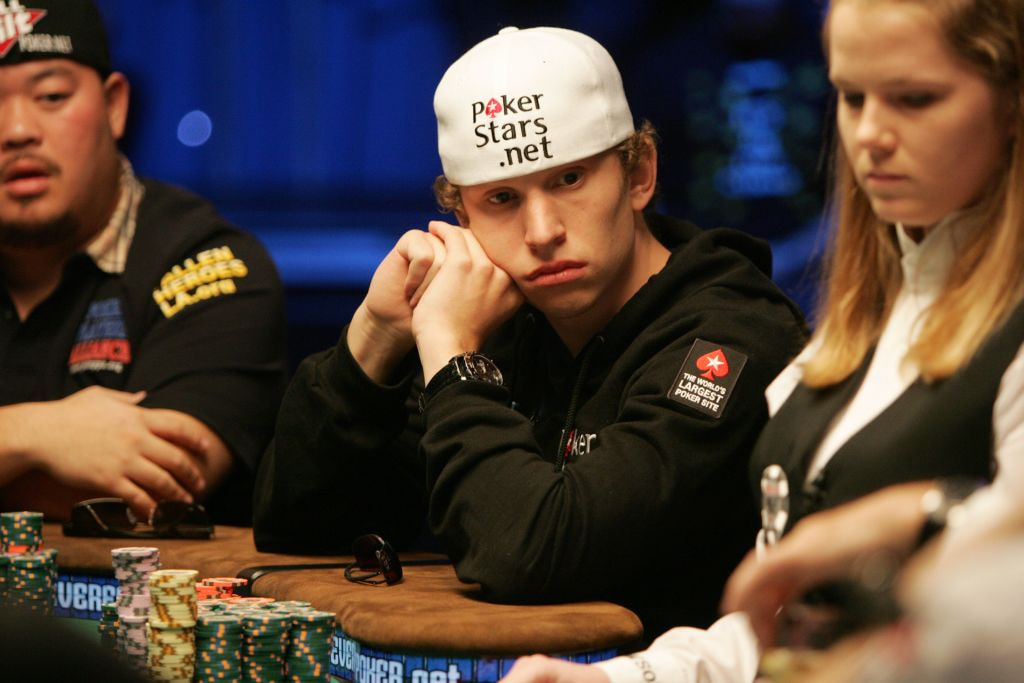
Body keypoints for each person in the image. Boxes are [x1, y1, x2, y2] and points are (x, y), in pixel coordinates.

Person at [496, 0, 1024, 679]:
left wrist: (910, 518)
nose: (871, 134)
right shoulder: (853, 335)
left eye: (915, 98)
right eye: (853, 96)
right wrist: (617, 677)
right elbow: (778, 637)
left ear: (1012, 103)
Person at [253, 26, 806, 639]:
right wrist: (377, 335)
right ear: (460, 217)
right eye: (502, 199)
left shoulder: (733, 334)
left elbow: (530, 555)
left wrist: (455, 361)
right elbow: (297, 525)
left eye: (569, 180)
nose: (541, 232)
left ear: (639, 174)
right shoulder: (497, 321)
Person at [0, 0, 288, 525]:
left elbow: (162, 486)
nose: (17, 128)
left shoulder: (209, 261)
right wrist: (31, 433)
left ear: (113, 106)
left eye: (51, 95)